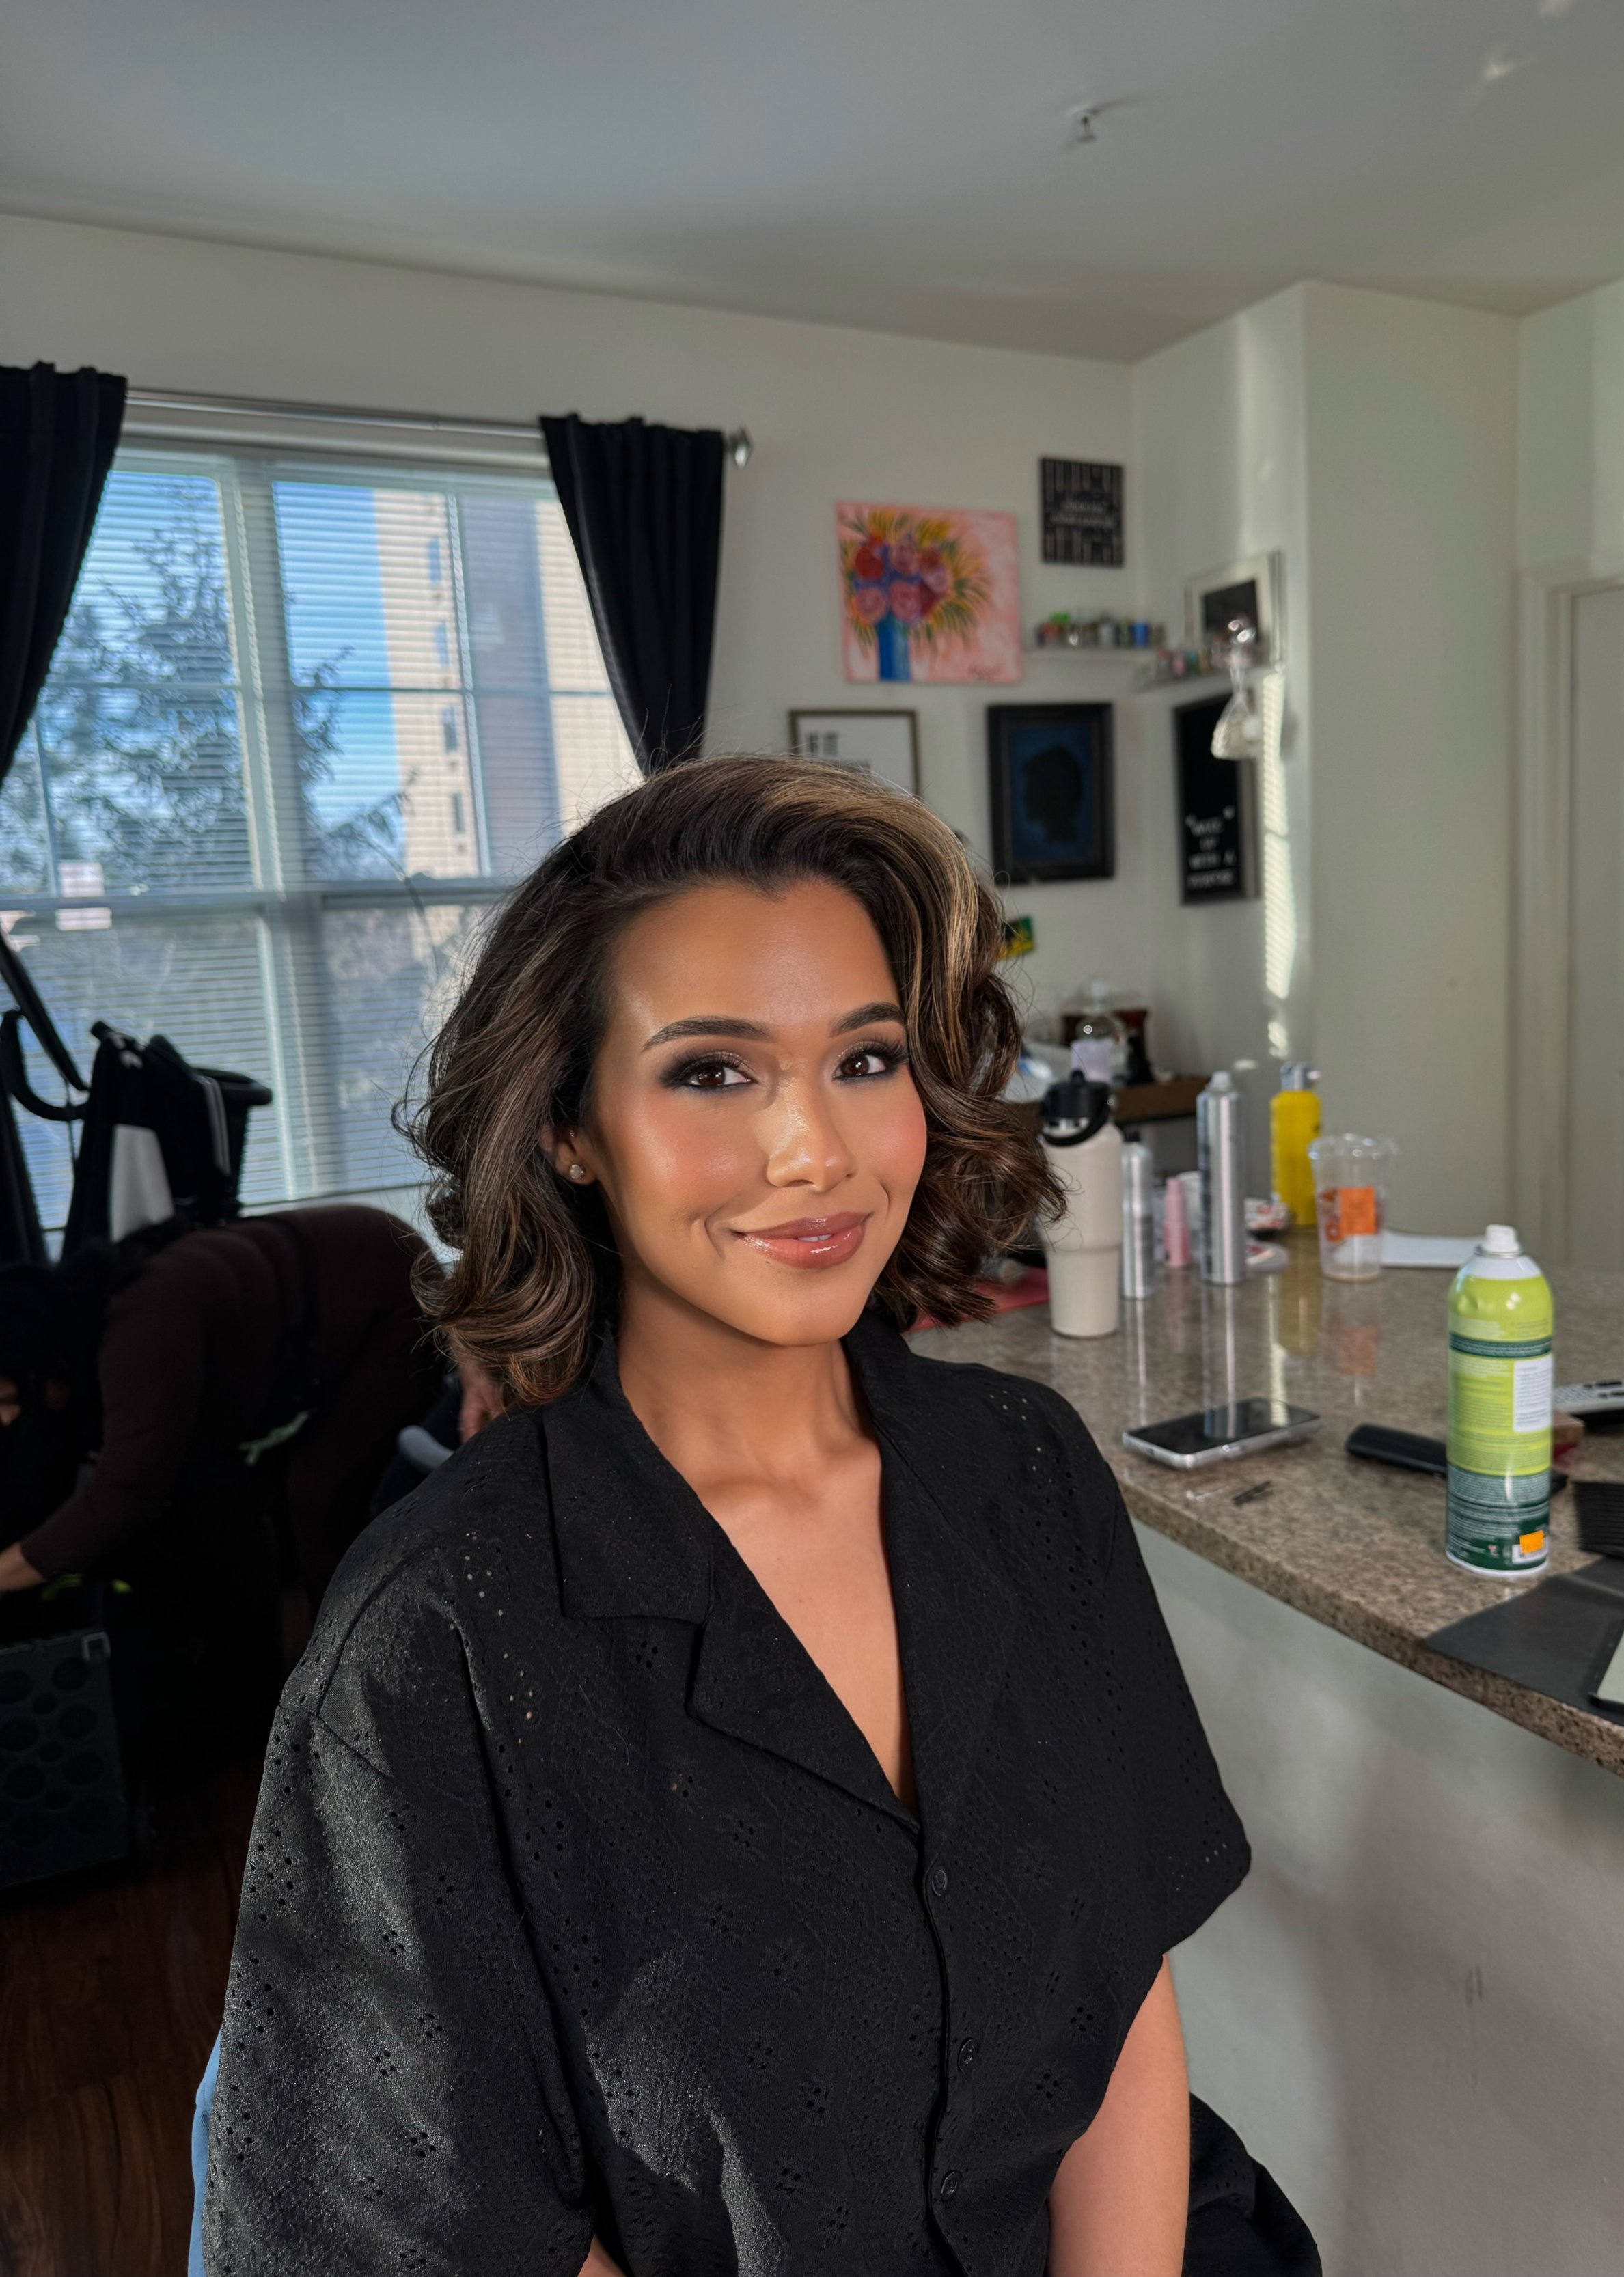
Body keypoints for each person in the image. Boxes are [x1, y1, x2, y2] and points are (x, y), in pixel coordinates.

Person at [202, 758, 1307, 2276]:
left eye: (864, 1059)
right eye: (713, 1072)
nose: (816, 1152)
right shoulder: (436, 1646)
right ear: (570, 1126)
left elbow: (1113, 1987)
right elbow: (442, 2230)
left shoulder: (1025, 1470)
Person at [0, 1208, 443, 1739]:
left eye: (9, 1399)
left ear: (42, 1360)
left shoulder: (142, 1326)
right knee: (221, 1502)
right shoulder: (99, 1332)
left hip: (388, 1285)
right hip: (332, 1286)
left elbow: (124, 1495)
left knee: (320, 1497)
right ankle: (261, 1699)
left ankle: (370, 1690)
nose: (7, 1418)